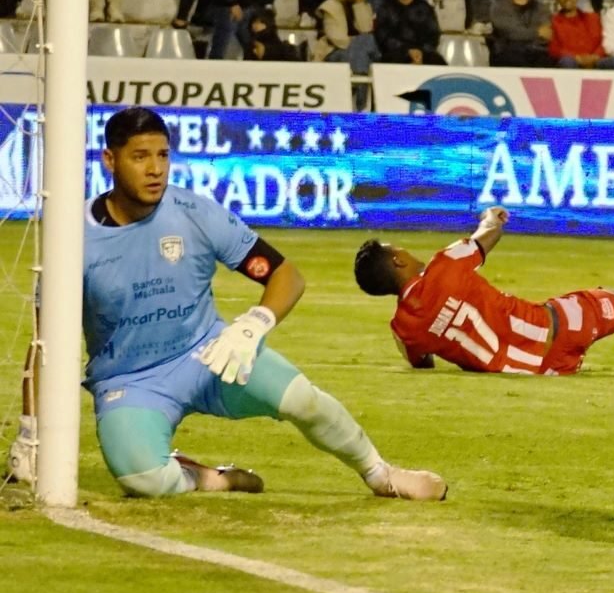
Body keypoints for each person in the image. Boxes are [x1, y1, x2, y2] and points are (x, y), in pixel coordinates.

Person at [75, 106, 446, 500]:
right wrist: (32, 430)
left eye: (162, 155)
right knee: (144, 481)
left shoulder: (194, 213)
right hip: (130, 381)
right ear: (110, 160)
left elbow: (287, 275)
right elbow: (44, 339)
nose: (155, 169)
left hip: (211, 354)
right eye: (140, 157)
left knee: (302, 399)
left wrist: (253, 325)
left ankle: (380, 474)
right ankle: (212, 478)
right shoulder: (76, 236)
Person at [354, 207, 614, 375]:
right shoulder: (444, 266)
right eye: (397, 248)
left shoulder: (404, 331)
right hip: (564, 325)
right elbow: (489, 234)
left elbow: (422, 363)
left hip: (540, 372)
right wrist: (491, 215)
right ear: (398, 260)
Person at [375, 0, 446, 65]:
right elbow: (383, 35)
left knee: (438, 62)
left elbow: (433, 35)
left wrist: (420, 52)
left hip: (423, 53)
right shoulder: (386, 7)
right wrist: (407, 51)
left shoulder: (425, 8)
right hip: (396, 53)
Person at [488, 0, 555, 67]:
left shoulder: (542, 8)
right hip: (508, 53)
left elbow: (546, 34)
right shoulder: (498, 6)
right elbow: (511, 33)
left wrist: (527, 34)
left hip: (537, 52)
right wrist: (537, 32)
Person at [549, 0, 614, 69]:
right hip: (572, 61)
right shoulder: (553, 21)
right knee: (567, 61)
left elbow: (603, 41)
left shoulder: (593, 18)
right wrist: (577, 58)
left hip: (595, 60)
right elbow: (554, 48)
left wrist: (595, 57)